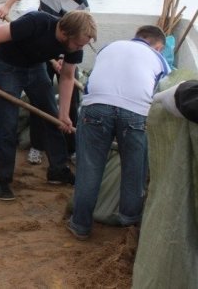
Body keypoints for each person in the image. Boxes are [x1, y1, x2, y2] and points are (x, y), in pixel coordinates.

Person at [0, 10, 97, 201]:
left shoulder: (75, 44)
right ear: (65, 33)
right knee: (7, 122)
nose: (80, 48)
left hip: (36, 68)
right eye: (78, 44)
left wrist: (64, 114)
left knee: (52, 116)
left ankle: (57, 170)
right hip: (9, 67)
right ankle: (1, 179)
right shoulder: (36, 22)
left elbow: (67, 77)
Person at [68, 25, 169, 240]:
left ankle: (80, 225)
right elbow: (156, 96)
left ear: (137, 38)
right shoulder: (159, 60)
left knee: (89, 168)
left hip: (95, 107)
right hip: (135, 113)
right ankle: (129, 222)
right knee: (135, 170)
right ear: (158, 46)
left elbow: (89, 85)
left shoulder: (109, 47)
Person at [0, 0, 91, 166]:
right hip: (41, 51)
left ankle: (70, 148)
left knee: (71, 99)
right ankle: (37, 146)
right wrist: (7, 5)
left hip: (65, 53)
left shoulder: (82, 5)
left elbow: (78, 35)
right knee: (40, 102)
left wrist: (63, 59)